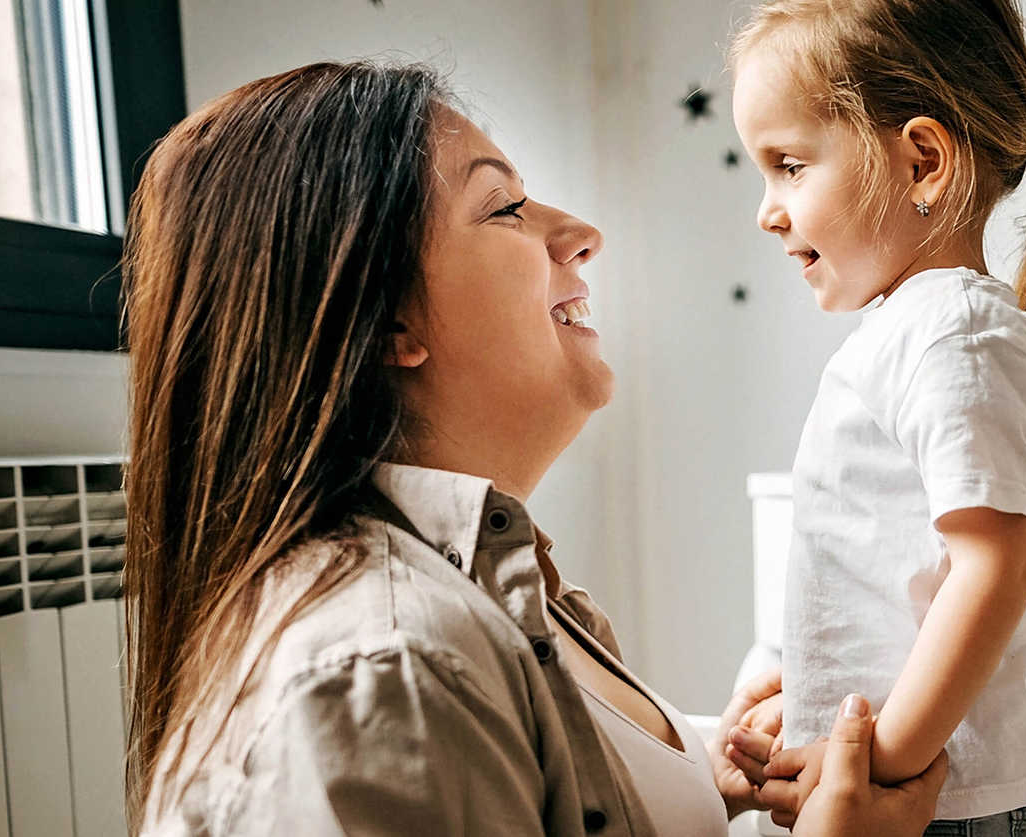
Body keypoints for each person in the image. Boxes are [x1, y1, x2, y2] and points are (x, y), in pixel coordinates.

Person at [120, 60, 942, 836]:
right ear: (389, 318)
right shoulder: (388, 673)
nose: (582, 233)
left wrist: (697, 765)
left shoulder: (495, 587)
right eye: (505, 208)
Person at [720, 0, 1026, 832]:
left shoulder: (955, 330)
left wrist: (883, 752)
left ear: (923, 160)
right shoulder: (916, 329)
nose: (767, 209)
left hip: (954, 802)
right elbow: (897, 574)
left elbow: (995, 569)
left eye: (789, 165)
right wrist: (822, 700)